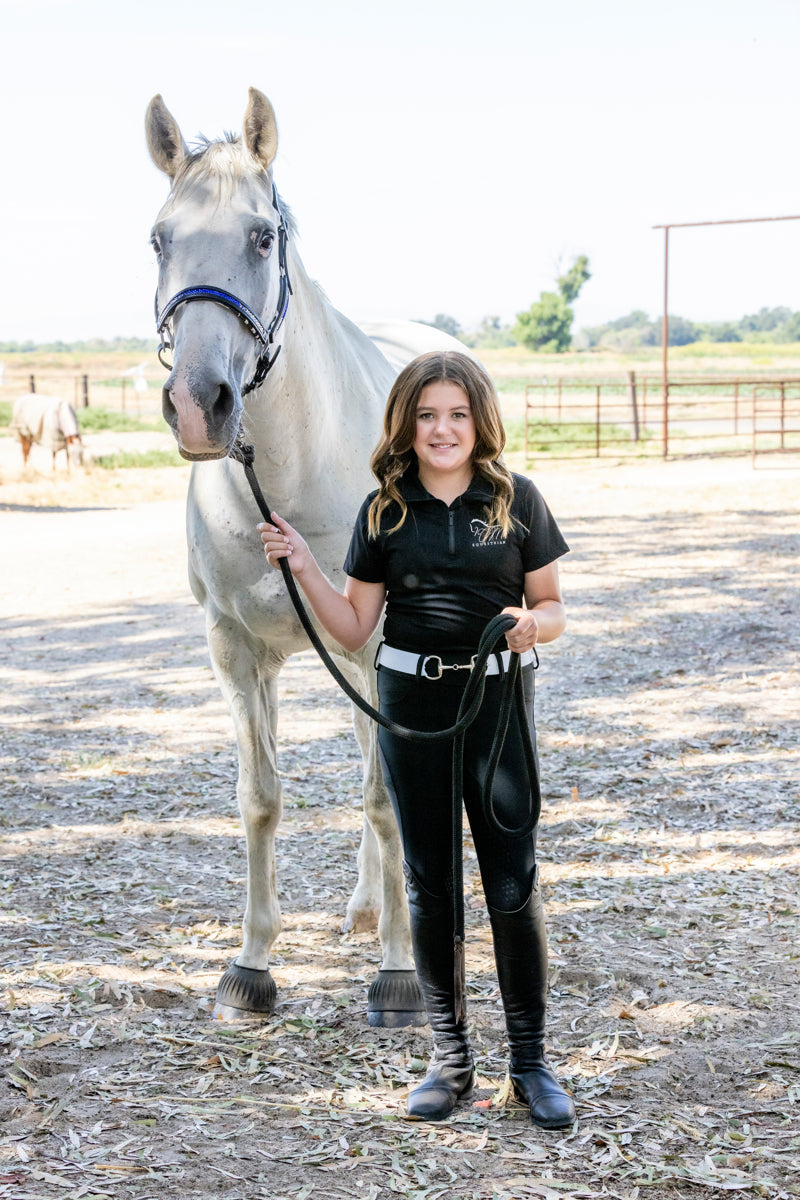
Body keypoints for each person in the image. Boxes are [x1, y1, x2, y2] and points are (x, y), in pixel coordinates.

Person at [259, 350, 574, 1128]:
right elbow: (355, 626)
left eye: (457, 415)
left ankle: (529, 1063)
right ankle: (451, 1060)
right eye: (428, 415)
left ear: (479, 421)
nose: (443, 429)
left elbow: (555, 605)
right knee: (430, 880)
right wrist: (304, 565)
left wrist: (535, 625)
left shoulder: (517, 500)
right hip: (411, 703)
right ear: (406, 424)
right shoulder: (383, 512)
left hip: (498, 700)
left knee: (512, 880)